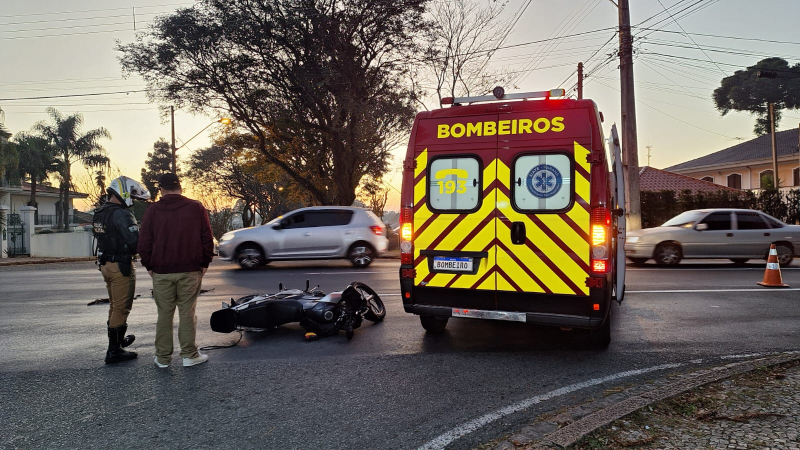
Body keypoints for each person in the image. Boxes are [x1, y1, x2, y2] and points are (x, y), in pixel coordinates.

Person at [137, 173, 214, 368]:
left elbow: (144, 242)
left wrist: (149, 265)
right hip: (190, 269)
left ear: (161, 189)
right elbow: (207, 237)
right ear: (180, 186)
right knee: (187, 312)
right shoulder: (196, 208)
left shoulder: (153, 210)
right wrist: (204, 263)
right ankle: (189, 355)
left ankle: (163, 358)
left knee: (164, 314)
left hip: (161, 271)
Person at [92, 176, 151, 364]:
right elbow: (135, 243)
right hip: (120, 266)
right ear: (124, 192)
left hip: (105, 264)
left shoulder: (100, 212)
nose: (132, 201)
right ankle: (114, 350)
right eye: (132, 196)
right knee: (122, 306)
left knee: (114, 305)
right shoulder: (122, 214)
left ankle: (117, 341)